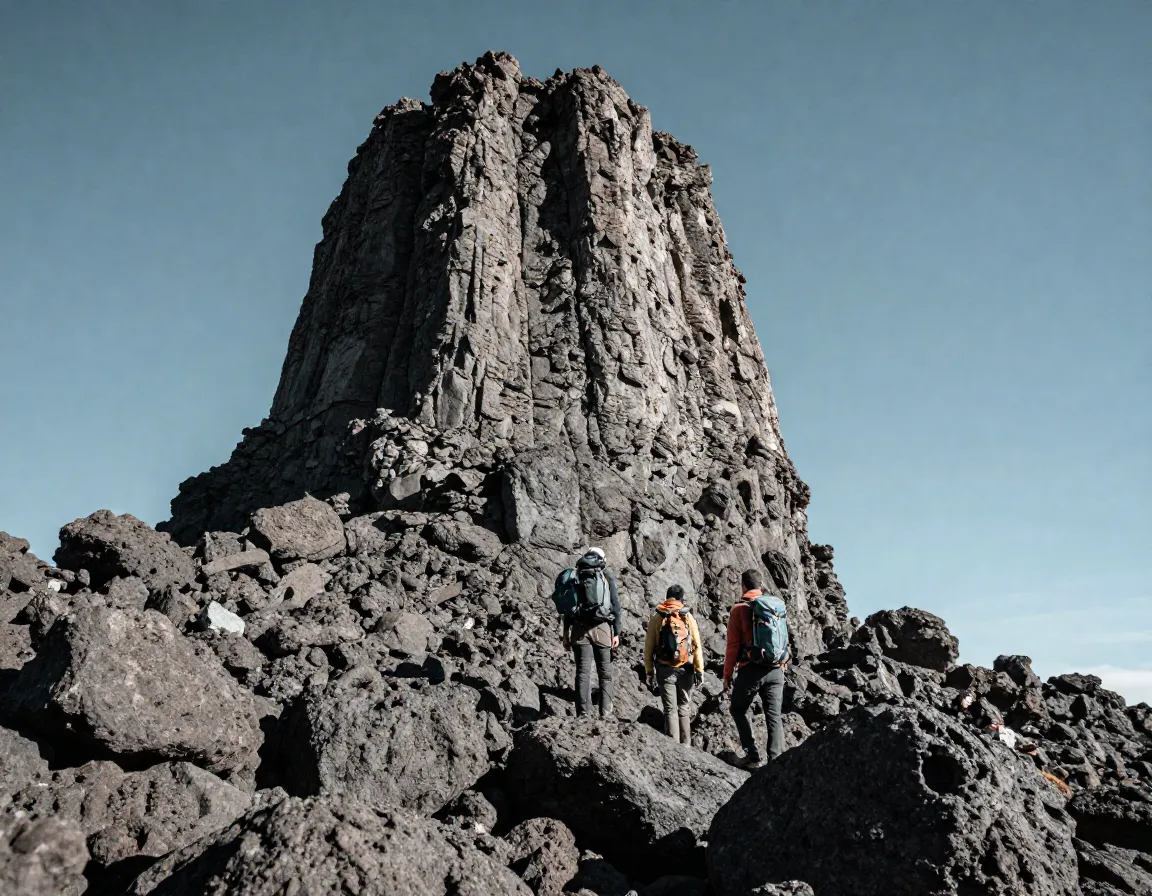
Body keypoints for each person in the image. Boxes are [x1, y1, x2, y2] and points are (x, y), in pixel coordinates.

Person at [723, 568, 790, 768]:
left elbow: (733, 646)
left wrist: (727, 675)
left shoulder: (739, 609)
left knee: (738, 709)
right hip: (776, 669)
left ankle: (752, 756)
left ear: (743, 585)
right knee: (774, 716)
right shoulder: (775, 606)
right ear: (761, 585)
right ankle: (775, 761)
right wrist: (783, 663)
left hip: (750, 669)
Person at [562, 547, 621, 718]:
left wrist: (566, 633)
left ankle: (583, 714)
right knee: (606, 674)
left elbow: (567, 607)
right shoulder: (607, 577)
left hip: (580, 629)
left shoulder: (576, 576)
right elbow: (616, 606)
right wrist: (616, 632)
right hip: (602, 628)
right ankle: (606, 714)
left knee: (582, 672)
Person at [643, 584, 704, 745]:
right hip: (686, 668)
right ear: (680, 598)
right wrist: (699, 670)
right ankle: (686, 746)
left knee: (670, 710)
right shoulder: (687, 617)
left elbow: (648, 647)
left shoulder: (658, 617)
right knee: (684, 707)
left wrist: (649, 671)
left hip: (665, 668)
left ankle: (674, 747)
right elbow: (696, 645)